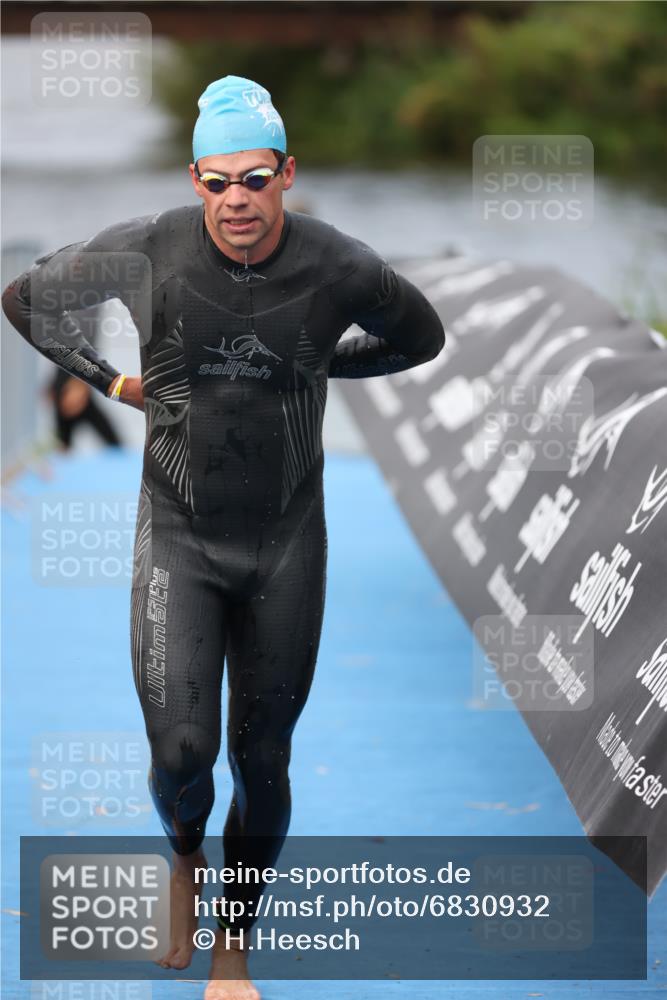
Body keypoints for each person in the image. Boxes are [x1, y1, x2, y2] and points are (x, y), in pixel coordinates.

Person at [2, 75, 445, 1000]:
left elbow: (420, 338)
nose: (234, 200)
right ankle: (184, 856)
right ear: (194, 179)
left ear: (286, 173)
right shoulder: (144, 250)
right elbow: (24, 301)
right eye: (215, 182)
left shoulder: (341, 269)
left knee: (264, 758)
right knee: (181, 754)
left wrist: (328, 363)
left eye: (253, 178)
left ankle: (232, 945)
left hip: (287, 541)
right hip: (179, 537)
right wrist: (114, 383)